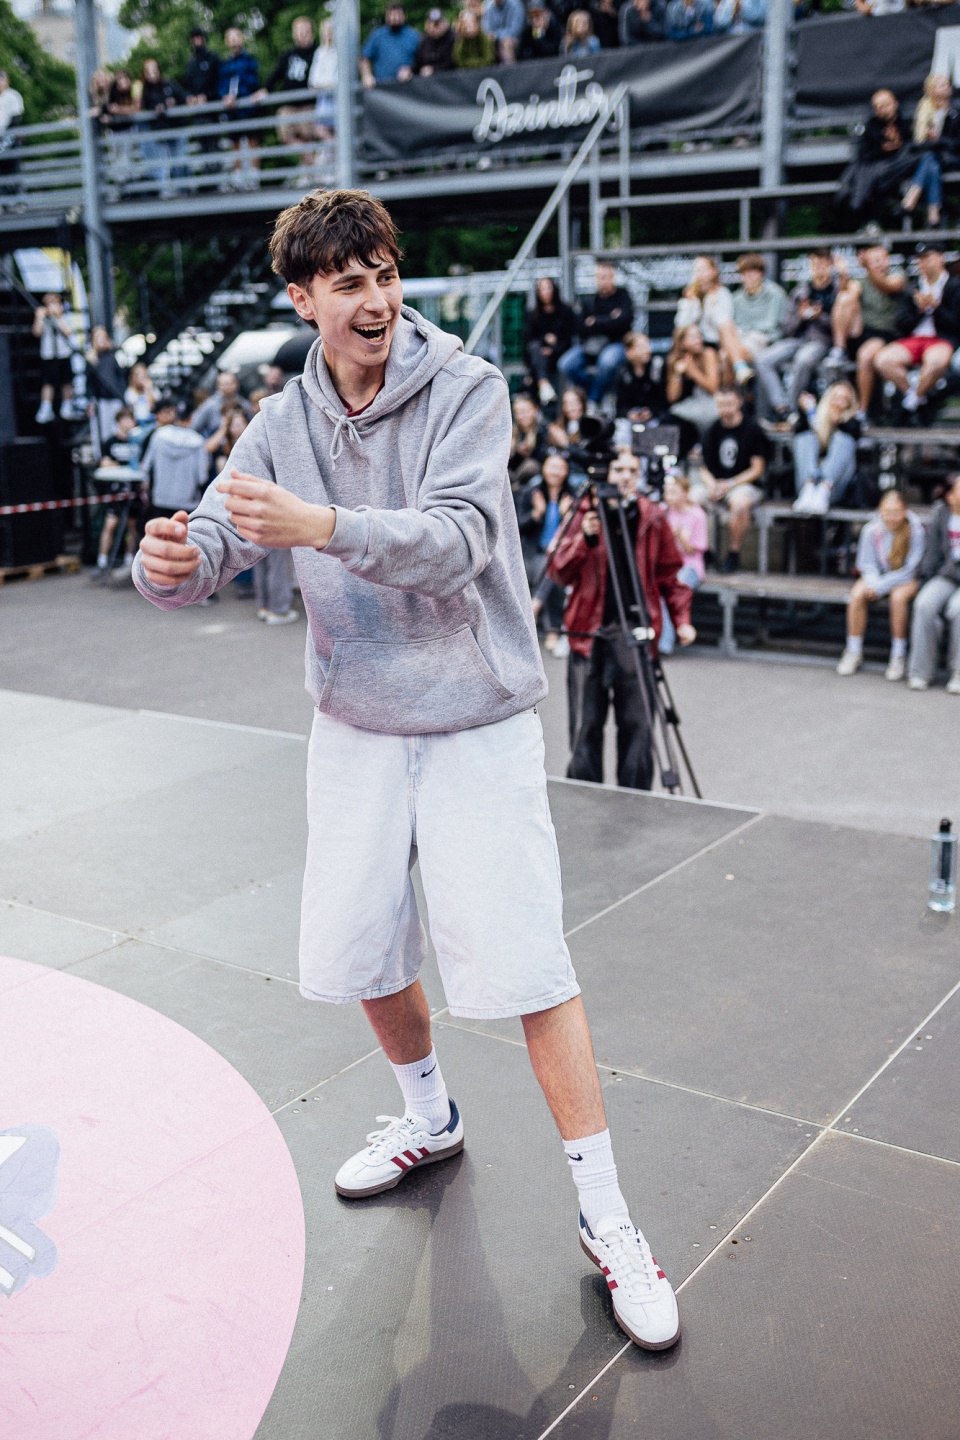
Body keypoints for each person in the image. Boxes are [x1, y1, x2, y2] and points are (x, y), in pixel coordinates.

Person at [133, 187, 682, 1353]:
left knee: (529, 966)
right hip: (358, 724)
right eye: (351, 283)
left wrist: (322, 526)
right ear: (305, 298)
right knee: (363, 946)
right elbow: (225, 536)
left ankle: (610, 1219)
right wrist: (170, 562)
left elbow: (459, 540)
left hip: (476, 716)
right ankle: (429, 1118)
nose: (378, 299)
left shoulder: (467, 387)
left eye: (386, 274)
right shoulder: (281, 419)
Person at [549, 449, 695, 789]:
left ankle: (636, 798)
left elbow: (670, 575)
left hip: (635, 632)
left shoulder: (652, 516)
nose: (625, 476)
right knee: (585, 725)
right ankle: (585, 794)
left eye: (632, 470)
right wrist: (584, 540)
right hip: (589, 633)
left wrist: (682, 619)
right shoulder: (584, 512)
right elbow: (557, 571)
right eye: (618, 469)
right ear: (605, 473)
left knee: (639, 726)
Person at [837, 488, 924, 681]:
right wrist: (874, 584)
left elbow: (911, 569)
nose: (892, 517)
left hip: (904, 578)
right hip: (877, 577)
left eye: (896, 512)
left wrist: (881, 586)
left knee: (898, 598)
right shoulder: (871, 530)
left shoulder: (915, 530)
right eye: (887, 512)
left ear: (904, 511)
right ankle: (853, 650)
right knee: (857, 594)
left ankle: (898, 654)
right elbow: (866, 564)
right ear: (880, 511)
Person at [875, 241, 960, 418]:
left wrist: (935, 309)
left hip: (942, 340)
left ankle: (910, 404)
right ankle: (918, 400)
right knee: (883, 360)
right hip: (914, 339)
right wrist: (920, 311)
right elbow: (901, 324)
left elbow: (956, 324)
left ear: (940, 258)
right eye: (920, 259)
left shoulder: (954, 286)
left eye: (927, 258)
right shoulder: (913, 287)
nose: (922, 263)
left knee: (935, 363)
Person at [754, 248, 838, 424]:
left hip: (821, 341)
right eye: (815, 264)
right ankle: (782, 407)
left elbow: (838, 329)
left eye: (823, 264)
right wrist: (800, 317)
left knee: (803, 360)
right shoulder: (800, 292)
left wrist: (819, 316)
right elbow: (787, 329)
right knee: (763, 359)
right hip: (796, 340)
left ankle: (792, 409)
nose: (819, 269)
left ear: (831, 265)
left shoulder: (836, 291)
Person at [828, 237, 904, 416]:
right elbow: (844, 294)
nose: (878, 263)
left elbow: (886, 285)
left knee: (866, 355)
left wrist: (867, 266)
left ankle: (862, 410)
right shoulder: (860, 280)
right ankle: (839, 349)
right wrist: (843, 274)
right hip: (861, 331)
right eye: (874, 260)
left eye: (881, 259)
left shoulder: (897, 275)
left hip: (885, 334)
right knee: (845, 297)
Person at [696, 386, 767, 572]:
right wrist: (712, 485)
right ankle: (705, 551)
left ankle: (733, 553)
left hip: (745, 484)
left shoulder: (752, 429)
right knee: (693, 498)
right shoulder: (711, 430)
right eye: (721, 404)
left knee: (740, 503)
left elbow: (757, 468)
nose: (725, 409)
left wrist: (730, 484)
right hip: (717, 483)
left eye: (729, 404)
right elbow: (704, 468)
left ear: (739, 402)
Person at [517, 451, 576, 649]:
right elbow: (518, 526)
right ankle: (551, 627)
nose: (556, 472)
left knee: (552, 567)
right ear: (544, 469)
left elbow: (576, 531)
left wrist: (566, 515)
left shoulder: (571, 495)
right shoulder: (531, 493)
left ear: (567, 472)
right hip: (532, 552)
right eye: (552, 467)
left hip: (560, 554)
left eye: (560, 468)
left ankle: (537, 611)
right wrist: (536, 514)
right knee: (548, 568)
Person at [908, 473, 960, 693]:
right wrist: (925, 581)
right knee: (924, 604)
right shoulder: (940, 513)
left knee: (958, 609)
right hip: (945, 576)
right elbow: (932, 554)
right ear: (950, 496)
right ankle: (921, 672)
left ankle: (958, 672)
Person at [557, 263, 634, 409]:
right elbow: (580, 327)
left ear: (613, 277)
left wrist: (595, 321)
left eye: (606, 277)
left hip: (616, 344)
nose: (604, 281)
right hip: (591, 346)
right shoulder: (590, 300)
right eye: (600, 277)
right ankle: (593, 391)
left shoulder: (622, 296)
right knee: (566, 364)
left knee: (607, 362)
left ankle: (593, 400)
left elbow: (624, 321)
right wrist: (610, 319)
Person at [837, 89, 915, 224]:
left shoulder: (906, 124)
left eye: (886, 105)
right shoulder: (871, 128)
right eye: (878, 107)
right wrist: (884, 148)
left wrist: (898, 144)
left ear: (895, 104)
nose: (882, 110)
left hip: (899, 172)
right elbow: (865, 155)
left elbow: (911, 147)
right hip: (876, 176)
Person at [257, 16, 319, 173]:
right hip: (289, 104)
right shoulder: (288, 54)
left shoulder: (317, 53)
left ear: (311, 33)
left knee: (307, 136)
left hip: (308, 103)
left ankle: (310, 172)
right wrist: (265, 90)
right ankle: (313, 167)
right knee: (285, 136)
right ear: (294, 34)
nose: (302, 34)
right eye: (299, 31)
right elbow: (276, 74)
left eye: (305, 31)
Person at [791, 382, 860, 515]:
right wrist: (804, 412)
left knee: (842, 439)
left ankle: (823, 488)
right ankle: (809, 486)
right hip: (807, 485)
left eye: (844, 399)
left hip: (834, 488)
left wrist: (838, 422)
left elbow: (853, 432)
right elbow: (799, 432)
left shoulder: (852, 424)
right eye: (836, 397)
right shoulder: (814, 416)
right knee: (806, 437)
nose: (838, 402)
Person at [140, 396, 210, 525]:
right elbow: (202, 477)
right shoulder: (198, 441)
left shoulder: (158, 435)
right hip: (188, 501)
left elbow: (145, 467)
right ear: (192, 417)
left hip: (160, 499)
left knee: (160, 535)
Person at [902, 75, 960, 230]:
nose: (946, 87)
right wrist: (931, 141)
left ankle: (911, 199)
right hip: (931, 160)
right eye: (941, 85)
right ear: (931, 90)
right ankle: (933, 215)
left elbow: (956, 143)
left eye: (947, 84)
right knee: (932, 164)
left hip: (951, 158)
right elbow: (916, 144)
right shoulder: (924, 114)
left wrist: (938, 139)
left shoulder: (956, 113)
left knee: (931, 159)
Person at [659, 472, 707, 655]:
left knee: (675, 588)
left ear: (685, 493)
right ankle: (661, 640)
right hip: (668, 566)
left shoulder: (697, 515)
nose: (669, 497)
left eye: (674, 492)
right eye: (667, 492)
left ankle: (664, 644)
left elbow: (692, 551)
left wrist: (680, 538)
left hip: (690, 566)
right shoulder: (663, 512)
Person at [93, 407, 141, 574]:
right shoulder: (110, 441)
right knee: (110, 524)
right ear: (119, 421)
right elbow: (104, 463)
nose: (129, 423)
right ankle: (102, 560)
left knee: (132, 525)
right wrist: (119, 465)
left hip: (133, 489)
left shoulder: (136, 441)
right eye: (125, 419)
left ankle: (129, 559)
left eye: (131, 419)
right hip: (116, 489)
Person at [218, 28, 263, 187]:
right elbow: (221, 84)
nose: (234, 41)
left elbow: (253, 82)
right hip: (232, 110)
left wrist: (238, 96)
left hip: (247, 106)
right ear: (227, 41)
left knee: (252, 140)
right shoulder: (226, 63)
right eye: (231, 38)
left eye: (237, 37)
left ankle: (254, 176)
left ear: (242, 39)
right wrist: (225, 96)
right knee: (235, 141)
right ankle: (237, 176)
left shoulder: (249, 60)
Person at [729, 253, 787, 372]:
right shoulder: (736, 299)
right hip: (741, 339)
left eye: (752, 272)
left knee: (738, 352)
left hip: (766, 340)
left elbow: (781, 326)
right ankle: (739, 380)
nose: (749, 277)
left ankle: (744, 377)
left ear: (761, 273)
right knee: (725, 355)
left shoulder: (776, 294)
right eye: (744, 273)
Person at [524, 277, 578, 406]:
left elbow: (569, 339)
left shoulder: (565, 311)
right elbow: (528, 339)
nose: (546, 292)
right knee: (536, 349)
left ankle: (543, 385)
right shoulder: (533, 314)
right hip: (540, 355)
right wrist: (545, 340)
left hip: (560, 354)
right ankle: (544, 385)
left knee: (535, 365)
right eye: (542, 289)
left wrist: (553, 350)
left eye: (548, 288)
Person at [139, 58, 187, 196]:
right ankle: (165, 191)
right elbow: (145, 106)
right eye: (149, 71)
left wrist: (173, 103)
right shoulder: (145, 91)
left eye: (154, 70)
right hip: (159, 132)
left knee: (179, 161)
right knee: (162, 165)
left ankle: (182, 191)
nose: (152, 74)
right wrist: (156, 108)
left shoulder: (170, 84)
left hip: (175, 128)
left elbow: (183, 97)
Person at [665, 323, 719, 438]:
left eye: (699, 336)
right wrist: (677, 375)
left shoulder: (708, 354)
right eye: (693, 337)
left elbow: (713, 388)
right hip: (688, 407)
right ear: (681, 342)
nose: (699, 340)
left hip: (710, 403)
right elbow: (672, 397)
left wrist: (692, 371)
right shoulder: (674, 360)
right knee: (670, 420)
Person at [32, 292, 76, 425]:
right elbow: (37, 332)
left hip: (64, 353)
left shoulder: (66, 317)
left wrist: (58, 317)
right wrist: (39, 317)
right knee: (48, 382)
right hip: (49, 354)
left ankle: (67, 406)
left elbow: (68, 332)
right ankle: (46, 407)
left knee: (66, 381)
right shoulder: (44, 318)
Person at [361, 5, 422, 86]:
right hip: (382, 87)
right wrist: (367, 75)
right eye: (391, 15)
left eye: (398, 14)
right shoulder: (377, 35)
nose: (395, 18)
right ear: (386, 17)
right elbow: (364, 58)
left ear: (405, 16)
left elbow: (423, 60)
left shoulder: (414, 36)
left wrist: (410, 70)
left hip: (408, 87)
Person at [614, 332, 667, 423]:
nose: (647, 350)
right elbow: (620, 405)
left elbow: (664, 400)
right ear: (628, 352)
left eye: (647, 346)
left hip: (656, 416)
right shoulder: (623, 373)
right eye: (641, 347)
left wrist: (651, 412)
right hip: (631, 419)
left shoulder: (658, 367)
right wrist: (629, 414)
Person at [191, 370, 252, 438]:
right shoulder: (209, 405)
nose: (227, 386)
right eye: (224, 384)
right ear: (218, 386)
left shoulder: (244, 404)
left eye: (229, 383)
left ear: (236, 384)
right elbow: (194, 426)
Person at [509, 392, 547, 489]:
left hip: (537, 474)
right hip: (515, 472)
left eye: (524, 411)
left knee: (531, 466)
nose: (521, 416)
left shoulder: (542, 429)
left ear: (535, 409)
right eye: (517, 412)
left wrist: (528, 453)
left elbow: (543, 458)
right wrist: (517, 453)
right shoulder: (514, 431)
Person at [309, 20, 338, 146]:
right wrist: (325, 85)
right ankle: (338, 149)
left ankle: (340, 150)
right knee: (320, 130)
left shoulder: (341, 51)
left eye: (331, 31)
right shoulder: (320, 52)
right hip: (324, 99)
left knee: (340, 129)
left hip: (338, 98)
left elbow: (340, 78)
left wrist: (325, 84)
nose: (328, 34)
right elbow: (313, 80)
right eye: (326, 31)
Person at [0, 69, 24, 192]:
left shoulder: (13, 96)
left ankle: (18, 197)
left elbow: (16, 118)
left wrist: (7, 139)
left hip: (9, 137)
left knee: (13, 169)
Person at [413, 10, 457, 74]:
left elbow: (452, 63)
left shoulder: (454, 39)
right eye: (432, 24)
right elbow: (418, 63)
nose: (436, 27)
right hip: (428, 78)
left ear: (446, 23)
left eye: (438, 24)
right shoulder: (423, 41)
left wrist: (434, 69)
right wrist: (409, 70)